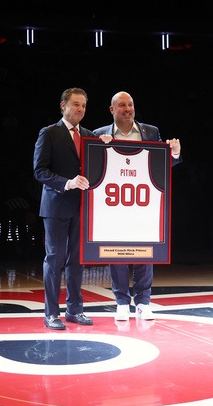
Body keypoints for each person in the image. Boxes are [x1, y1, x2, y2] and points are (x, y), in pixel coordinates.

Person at [93, 91, 181, 321]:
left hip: (142, 204)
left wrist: (175, 154)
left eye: (130, 104)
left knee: (145, 252)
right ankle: (121, 302)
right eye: (121, 105)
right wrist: (100, 150)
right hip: (112, 205)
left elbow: (161, 166)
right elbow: (93, 169)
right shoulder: (99, 134)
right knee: (117, 254)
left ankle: (143, 302)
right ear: (112, 110)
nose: (127, 108)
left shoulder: (150, 132)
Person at [33, 88, 98, 330]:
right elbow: (40, 171)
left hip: (82, 207)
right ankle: (51, 313)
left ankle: (74, 310)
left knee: (77, 261)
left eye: (83, 105)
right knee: (54, 260)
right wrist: (66, 183)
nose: (80, 109)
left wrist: (107, 148)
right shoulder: (49, 133)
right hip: (56, 206)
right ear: (63, 106)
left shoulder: (90, 136)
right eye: (75, 104)